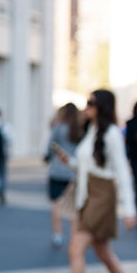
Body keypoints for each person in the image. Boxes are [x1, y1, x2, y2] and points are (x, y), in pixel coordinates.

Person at [49, 89, 137, 273]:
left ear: (101, 106)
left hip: (102, 196)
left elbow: (122, 171)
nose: (87, 107)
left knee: (76, 248)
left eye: (91, 103)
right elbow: (86, 165)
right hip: (86, 193)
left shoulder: (112, 133)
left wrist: (129, 210)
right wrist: (68, 161)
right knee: (105, 254)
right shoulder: (92, 131)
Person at [47, 103, 82, 247]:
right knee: (73, 206)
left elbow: (51, 145)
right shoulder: (80, 129)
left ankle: (57, 234)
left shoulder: (59, 127)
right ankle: (74, 236)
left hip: (57, 169)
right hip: (73, 171)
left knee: (57, 203)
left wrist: (48, 157)